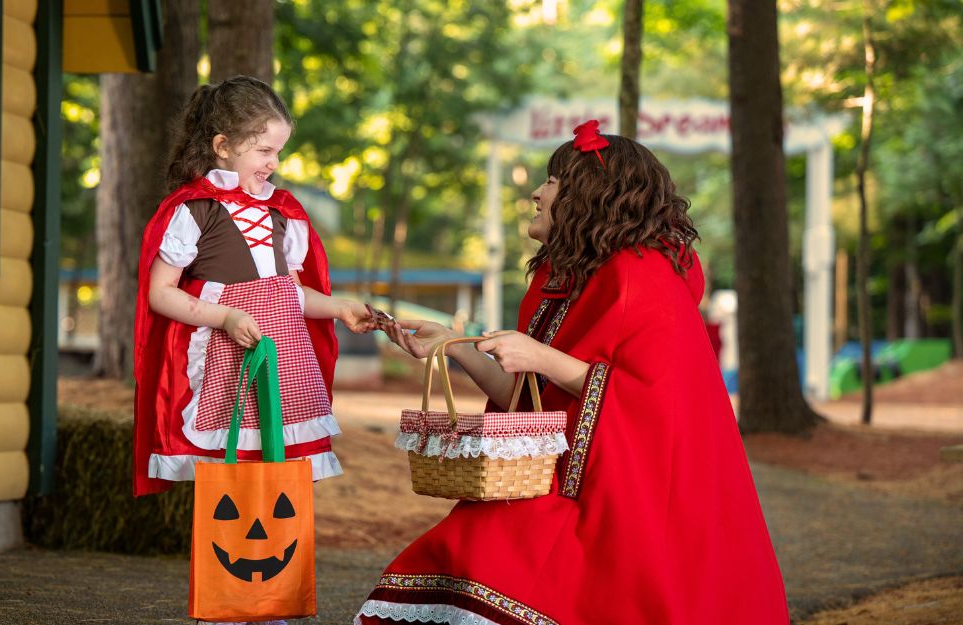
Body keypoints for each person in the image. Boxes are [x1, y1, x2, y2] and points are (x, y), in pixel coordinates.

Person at [358, 121, 788, 625]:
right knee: (461, 551)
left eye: (553, 181)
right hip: (557, 479)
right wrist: (454, 348)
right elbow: (529, 407)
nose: (537, 193)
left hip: (621, 499)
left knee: (481, 555)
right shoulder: (561, 277)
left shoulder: (642, 273)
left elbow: (657, 399)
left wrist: (541, 357)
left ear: (589, 193)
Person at [132, 76, 374, 625]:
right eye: (263, 150)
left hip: (284, 363)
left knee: (282, 476)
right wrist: (225, 316)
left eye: (278, 151)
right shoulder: (194, 212)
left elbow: (288, 293)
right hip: (230, 366)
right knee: (233, 478)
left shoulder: (283, 213)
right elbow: (160, 293)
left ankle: (273, 603)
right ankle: (231, 603)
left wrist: (337, 307)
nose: (273, 162)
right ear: (223, 146)